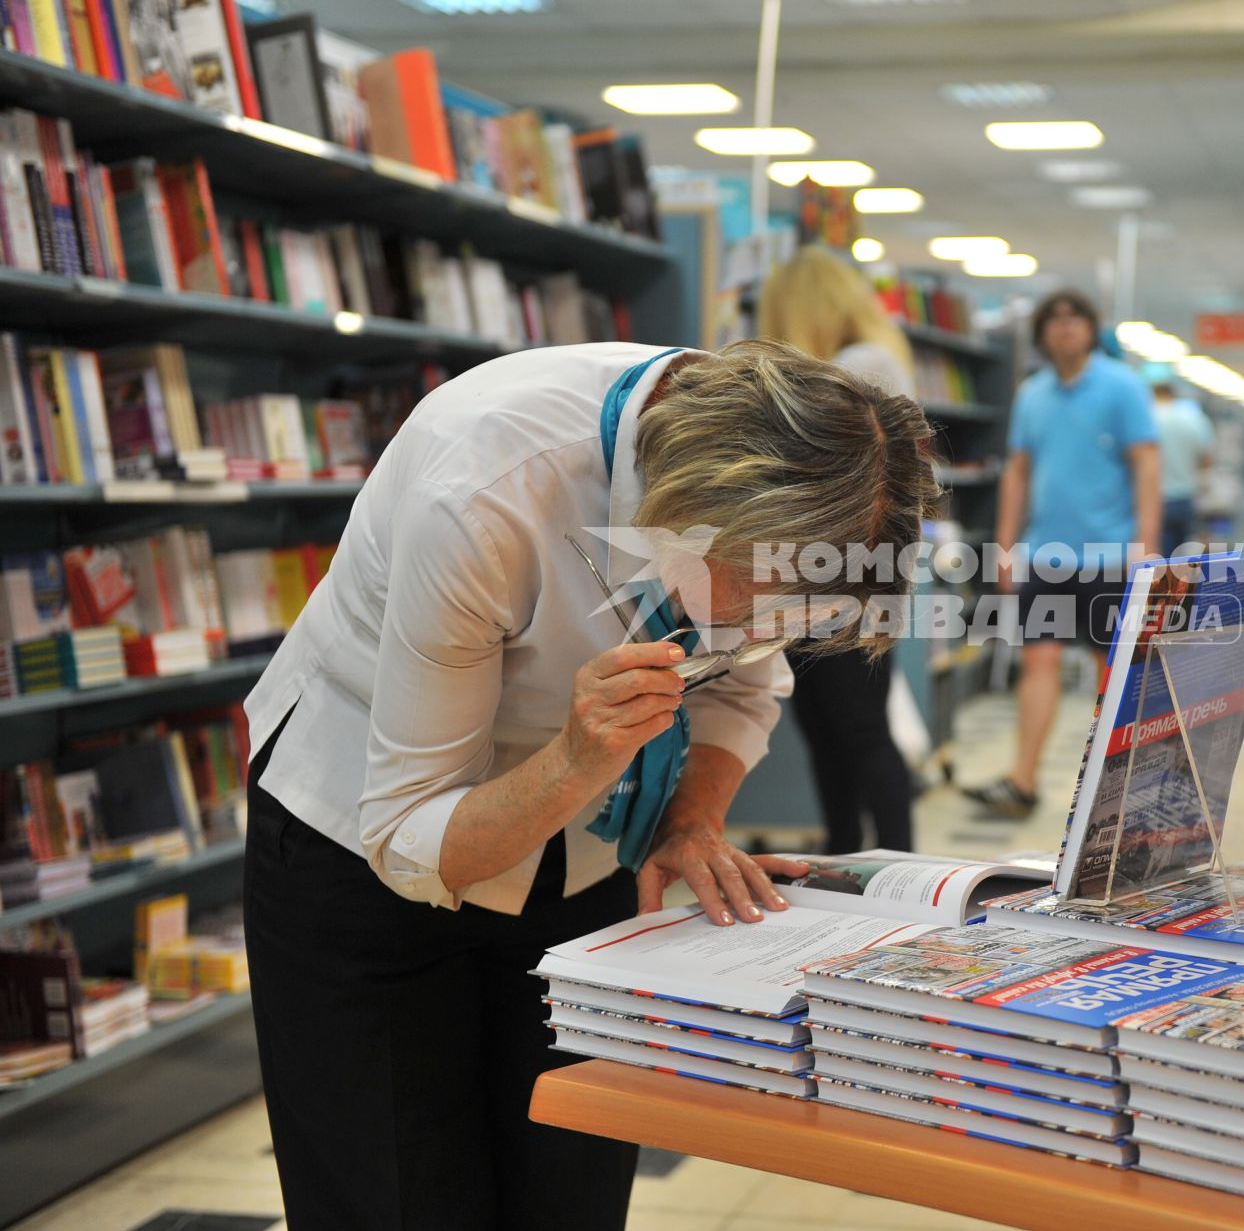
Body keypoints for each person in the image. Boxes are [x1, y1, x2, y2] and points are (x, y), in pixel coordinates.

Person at [242, 339, 938, 1230]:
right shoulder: (487, 483)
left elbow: (747, 688)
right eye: (757, 593)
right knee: (396, 1191)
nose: (765, 625)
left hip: (589, 836)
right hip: (366, 836)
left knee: (569, 1181)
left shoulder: (788, 498)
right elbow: (413, 836)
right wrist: (575, 761)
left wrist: (690, 821)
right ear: (692, 509)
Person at [966, 289, 1160, 819]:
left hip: (1111, 558)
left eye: (1076, 318)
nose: (1065, 327)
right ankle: (1022, 782)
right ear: (1043, 333)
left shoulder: (1122, 388)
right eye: (1054, 319)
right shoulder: (1032, 394)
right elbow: (1019, 471)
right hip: (1047, 558)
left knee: (1116, 675)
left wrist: (1148, 545)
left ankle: (1121, 790)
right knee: (1039, 663)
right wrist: (1005, 545)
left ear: (1092, 329)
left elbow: (1146, 465)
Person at [758, 246, 919, 853]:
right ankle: (847, 855)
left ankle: (899, 862)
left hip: (843, 573)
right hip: (828, 569)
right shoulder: (871, 359)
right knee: (826, 728)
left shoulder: (859, 364)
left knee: (858, 727)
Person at [1149, 375, 1214, 551]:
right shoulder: (1193, 420)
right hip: (1185, 496)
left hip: (1153, 499)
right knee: (1179, 558)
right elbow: (1206, 460)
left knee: (1156, 558)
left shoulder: (1146, 418)